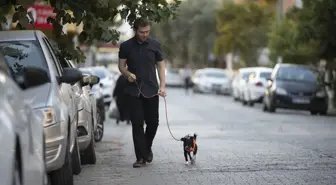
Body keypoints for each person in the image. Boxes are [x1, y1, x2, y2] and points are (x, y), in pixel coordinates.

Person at [118, 17, 166, 168]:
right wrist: (128, 74)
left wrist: (162, 86)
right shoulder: (126, 46)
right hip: (133, 90)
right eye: (142, 32)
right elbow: (121, 66)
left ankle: (146, 149)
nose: (145, 34)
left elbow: (161, 67)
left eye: (147, 32)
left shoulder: (155, 44)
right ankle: (140, 157)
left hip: (152, 89)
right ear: (135, 30)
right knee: (137, 123)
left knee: (153, 123)